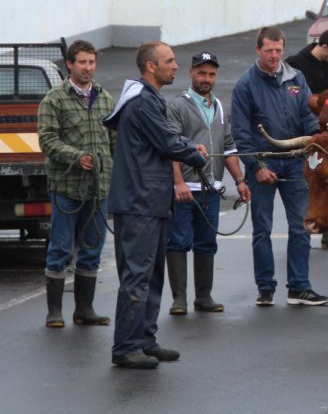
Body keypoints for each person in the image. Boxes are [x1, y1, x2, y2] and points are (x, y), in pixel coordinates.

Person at [103, 41, 207, 369]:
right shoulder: (142, 103)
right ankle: (126, 347)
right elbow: (166, 140)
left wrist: (189, 150)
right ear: (151, 66)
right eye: (169, 61)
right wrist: (194, 152)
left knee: (152, 275)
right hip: (139, 203)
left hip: (151, 200)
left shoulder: (149, 98)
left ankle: (145, 340)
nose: (176, 66)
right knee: (137, 275)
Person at [231, 27, 327, 307]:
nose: (274, 56)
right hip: (263, 163)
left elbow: (308, 119)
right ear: (258, 50)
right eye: (269, 50)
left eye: (278, 50)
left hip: (296, 163)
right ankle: (265, 287)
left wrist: (317, 142)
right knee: (262, 229)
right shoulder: (245, 85)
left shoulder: (297, 78)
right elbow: (241, 131)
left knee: (301, 226)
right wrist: (257, 166)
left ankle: (299, 287)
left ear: (283, 49)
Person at [166, 52, 251, 316]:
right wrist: (178, 183)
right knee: (178, 242)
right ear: (191, 72)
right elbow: (170, 147)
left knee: (206, 243)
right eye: (201, 73)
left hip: (211, 191)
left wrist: (240, 180)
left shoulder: (219, 107)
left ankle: (203, 297)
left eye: (211, 74)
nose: (207, 79)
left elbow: (228, 149)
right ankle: (179, 299)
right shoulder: (177, 106)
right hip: (185, 191)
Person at [38, 40, 115, 329]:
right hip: (66, 189)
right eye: (82, 62)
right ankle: (54, 311)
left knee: (92, 249)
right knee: (59, 249)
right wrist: (76, 156)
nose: (87, 68)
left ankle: (85, 310)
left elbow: (115, 142)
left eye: (91, 62)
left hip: (99, 190)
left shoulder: (106, 98)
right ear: (70, 64)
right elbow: (47, 139)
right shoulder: (54, 99)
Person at [285, 28, 328, 249]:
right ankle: (302, 231)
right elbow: (289, 97)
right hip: (303, 131)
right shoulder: (295, 64)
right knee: (305, 183)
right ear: (323, 47)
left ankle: (327, 231)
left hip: (327, 132)